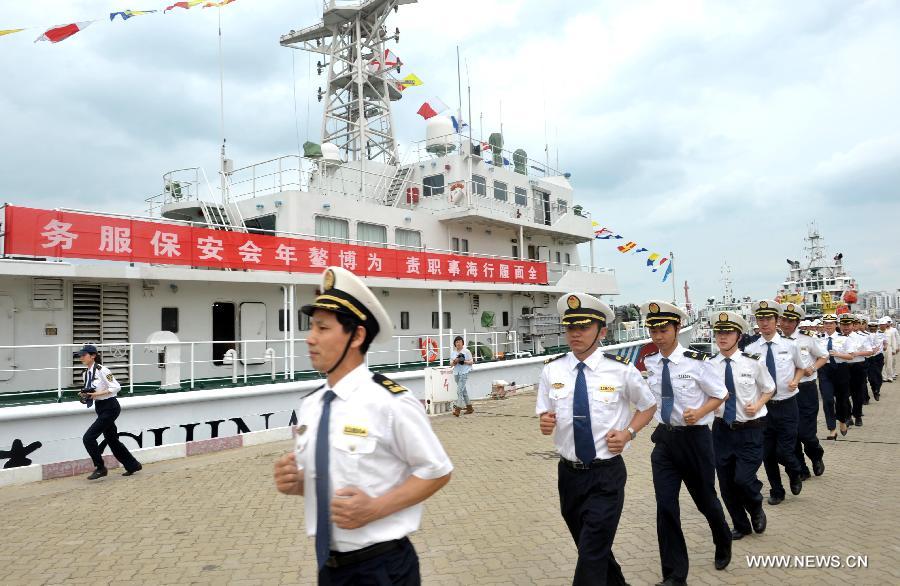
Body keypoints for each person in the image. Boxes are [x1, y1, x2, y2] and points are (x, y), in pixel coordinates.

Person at [273, 267, 453, 585]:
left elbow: (436, 470)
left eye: (322, 328)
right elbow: (333, 476)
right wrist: (297, 482)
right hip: (329, 567)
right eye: (311, 326)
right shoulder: (313, 404)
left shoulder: (390, 401)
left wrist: (375, 509)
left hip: (382, 568)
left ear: (356, 336)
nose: (310, 338)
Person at [537, 292, 656, 586]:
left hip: (606, 475)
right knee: (591, 546)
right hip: (569, 475)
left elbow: (648, 406)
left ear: (601, 331)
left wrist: (629, 432)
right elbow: (545, 415)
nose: (575, 334)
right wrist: (545, 422)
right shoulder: (552, 370)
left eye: (583, 327)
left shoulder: (620, 369)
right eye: (570, 327)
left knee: (591, 553)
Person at [640, 300, 732, 586]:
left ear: (677, 328)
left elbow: (721, 394)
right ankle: (675, 575)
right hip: (665, 441)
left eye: (663, 329)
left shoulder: (696, 362)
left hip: (696, 440)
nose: (657, 336)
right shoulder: (651, 363)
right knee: (666, 506)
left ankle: (722, 536)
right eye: (653, 330)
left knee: (705, 500)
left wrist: (701, 412)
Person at [708, 311, 774, 541]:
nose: (722, 337)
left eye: (728, 332)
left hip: (750, 429)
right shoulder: (709, 365)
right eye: (719, 332)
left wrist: (758, 404)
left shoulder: (753, 363)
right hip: (722, 431)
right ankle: (741, 524)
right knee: (726, 484)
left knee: (743, 479)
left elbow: (769, 388)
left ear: (738, 335)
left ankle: (756, 506)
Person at [744, 300, 805, 505]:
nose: (764, 323)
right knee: (767, 453)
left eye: (768, 318)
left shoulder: (790, 345)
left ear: (777, 320)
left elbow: (800, 367)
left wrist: (796, 380)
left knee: (784, 451)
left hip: (787, 404)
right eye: (760, 319)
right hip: (764, 407)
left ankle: (795, 471)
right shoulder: (751, 349)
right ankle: (777, 490)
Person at [77, 344, 142, 480]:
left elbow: (116, 387)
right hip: (100, 407)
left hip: (110, 407)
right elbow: (92, 390)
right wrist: (85, 394)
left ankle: (100, 468)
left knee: (88, 438)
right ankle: (132, 465)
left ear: (93, 356)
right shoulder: (86, 374)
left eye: (84, 355)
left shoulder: (102, 370)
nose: (81, 357)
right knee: (112, 439)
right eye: (80, 355)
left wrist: (96, 394)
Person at [779, 306, 828, 480]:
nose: (785, 324)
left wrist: (813, 368)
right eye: (783, 320)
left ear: (797, 323)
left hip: (806, 389)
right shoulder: (775, 341)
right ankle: (801, 469)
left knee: (806, 433)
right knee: (791, 434)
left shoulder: (807, 340)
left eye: (790, 321)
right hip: (785, 393)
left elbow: (824, 356)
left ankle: (816, 455)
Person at [818, 314, 855, 439]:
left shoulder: (844, 338)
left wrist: (838, 354)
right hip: (825, 370)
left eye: (831, 323)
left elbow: (851, 356)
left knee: (842, 400)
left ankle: (842, 421)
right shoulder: (818, 339)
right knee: (827, 400)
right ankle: (832, 429)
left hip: (841, 370)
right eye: (826, 323)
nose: (828, 325)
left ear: (836, 325)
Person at [847, 315, 874, 425]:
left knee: (857, 393)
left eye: (850, 324)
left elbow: (869, 352)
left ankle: (857, 415)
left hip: (858, 366)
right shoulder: (838, 337)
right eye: (845, 324)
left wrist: (857, 353)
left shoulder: (861, 337)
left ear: (854, 325)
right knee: (843, 393)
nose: (848, 327)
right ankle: (848, 415)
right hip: (843, 367)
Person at [450, 336, 474, 417]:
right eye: (456, 342)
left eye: (459, 341)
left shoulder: (466, 351)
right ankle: (470, 408)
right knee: (463, 391)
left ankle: (458, 409)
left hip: (464, 372)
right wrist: (455, 361)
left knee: (459, 390)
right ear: (455, 344)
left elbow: (471, 362)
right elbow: (451, 364)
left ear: (462, 343)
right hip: (456, 373)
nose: (458, 343)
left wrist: (464, 361)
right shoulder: (453, 353)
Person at [865, 319, 885, 401]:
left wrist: (885, 346)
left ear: (877, 327)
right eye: (871, 327)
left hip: (878, 357)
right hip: (869, 357)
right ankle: (875, 389)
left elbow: (885, 342)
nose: (873, 328)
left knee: (878, 375)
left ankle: (877, 389)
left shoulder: (881, 334)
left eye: (874, 327)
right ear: (868, 327)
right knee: (871, 376)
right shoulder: (865, 335)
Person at [880, 317, 897, 382]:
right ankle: (884, 377)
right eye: (881, 324)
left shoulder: (891, 332)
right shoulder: (878, 332)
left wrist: (894, 350)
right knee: (882, 363)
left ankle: (890, 377)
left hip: (889, 348)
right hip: (881, 349)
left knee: (889, 363)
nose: (883, 325)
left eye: (884, 324)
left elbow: (893, 341)